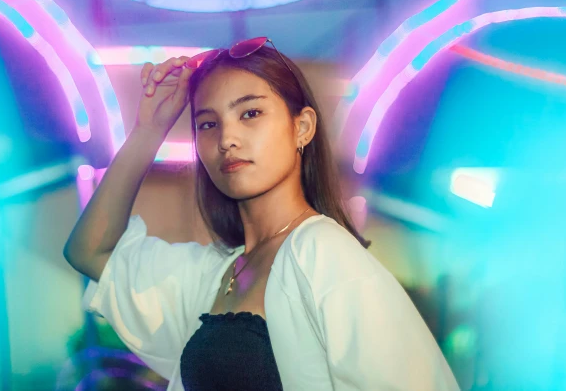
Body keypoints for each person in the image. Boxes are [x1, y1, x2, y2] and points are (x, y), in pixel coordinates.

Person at [64, 37, 459, 391]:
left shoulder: (322, 252)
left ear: (302, 127)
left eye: (250, 113)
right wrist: (149, 130)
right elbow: (91, 253)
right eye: (208, 123)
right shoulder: (217, 274)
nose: (227, 139)